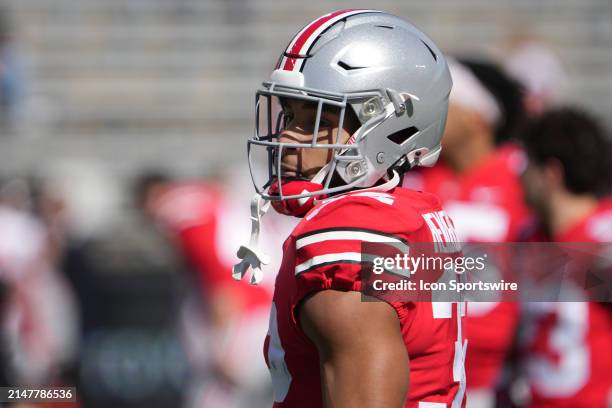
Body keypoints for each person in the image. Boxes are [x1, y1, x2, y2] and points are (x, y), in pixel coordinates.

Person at [233, 9, 467, 407]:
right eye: (290, 114)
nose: (288, 136)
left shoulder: (345, 236)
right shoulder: (412, 212)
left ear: (387, 125)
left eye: (317, 120)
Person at [403, 58, 530, 407]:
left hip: (508, 378)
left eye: (445, 102)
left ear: (478, 116)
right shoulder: (411, 178)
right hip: (424, 378)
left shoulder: (524, 175)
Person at [520, 108, 612, 407]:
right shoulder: (530, 236)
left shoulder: (601, 236)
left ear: (551, 173)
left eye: (528, 166)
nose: (520, 175)